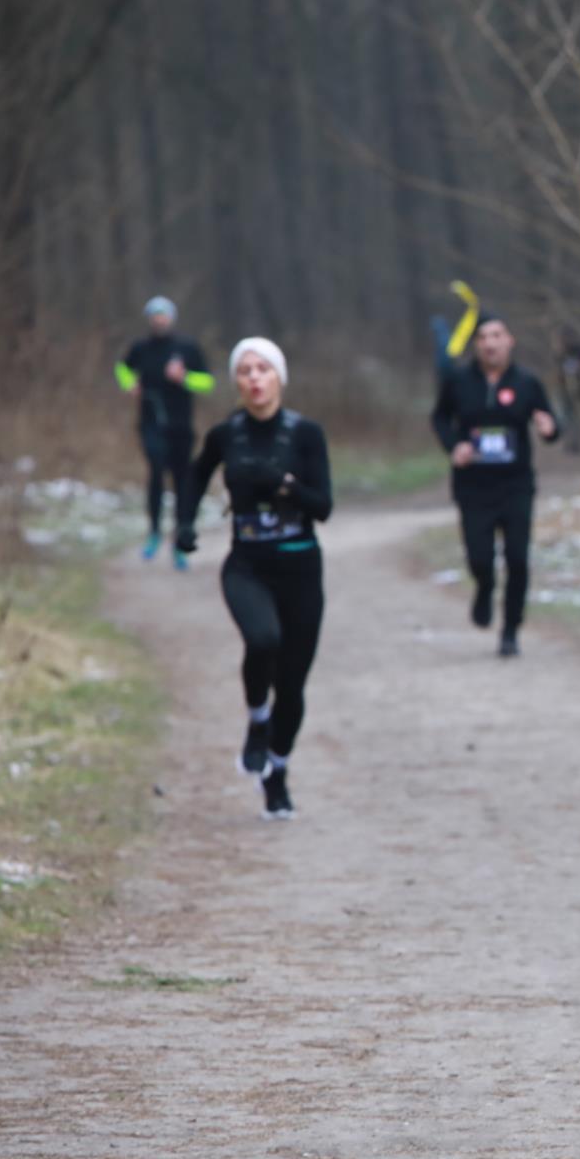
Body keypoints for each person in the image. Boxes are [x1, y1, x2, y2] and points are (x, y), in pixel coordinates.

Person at [175, 338, 331, 821]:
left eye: (263, 368)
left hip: (300, 566)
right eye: (245, 370)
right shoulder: (226, 435)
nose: (255, 378)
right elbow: (195, 476)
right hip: (247, 564)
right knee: (262, 639)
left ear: (279, 377)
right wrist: (184, 524)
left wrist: (284, 484)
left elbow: (324, 506)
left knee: (293, 685)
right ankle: (256, 719)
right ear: (236, 382)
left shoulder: (306, 434)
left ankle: (277, 772)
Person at [430, 314, 560, 657]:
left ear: (509, 341)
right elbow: (439, 417)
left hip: (515, 485)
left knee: (517, 558)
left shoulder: (527, 382)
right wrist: (454, 446)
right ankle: (484, 587)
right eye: (483, 337)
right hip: (473, 486)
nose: (490, 343)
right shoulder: (458, 381)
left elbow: (549, 421)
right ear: (476, 345)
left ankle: (511, 631)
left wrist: (549, 428)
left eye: (496, 335)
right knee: (480, 557)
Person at [115, 295, 214, 570]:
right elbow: (122, 369)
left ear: (172, 318)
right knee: (156, 472)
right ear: (149, 319)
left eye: (164, 315)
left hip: (181, 426)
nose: (159, 320)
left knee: (182, 481)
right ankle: (154, 533)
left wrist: (184, 378)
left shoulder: (187, 347)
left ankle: (180, 540)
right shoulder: (141, 348)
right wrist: (129, 384)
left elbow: (207, 382)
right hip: (151, 422)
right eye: (155, 315)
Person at [553, 326, 580, 456]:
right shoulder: (562, 353)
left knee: (579, 417)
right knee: (567, 417)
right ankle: (569, 443)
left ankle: (579, 443)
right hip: (565, 390)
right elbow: (558, 370)